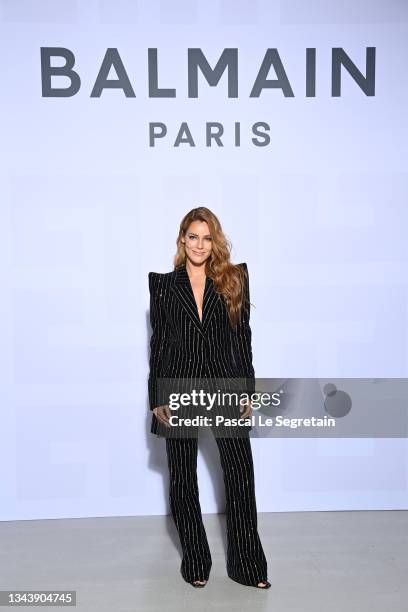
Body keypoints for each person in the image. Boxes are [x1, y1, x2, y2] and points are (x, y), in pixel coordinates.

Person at [147, 206, 270, 589]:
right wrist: (156, 396)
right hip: (179, 388)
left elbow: (242, 339)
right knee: (183, 479)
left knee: (239, 476)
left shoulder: (234, 279)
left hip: (225, 388)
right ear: (183, 240)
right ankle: (197, 562)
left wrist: (247, 390)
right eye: (193, 236)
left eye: (207, 237)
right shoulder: (164, 285)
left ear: (215, 241)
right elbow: (160, 345)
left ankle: (248, 567)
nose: (200, 244)